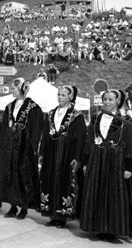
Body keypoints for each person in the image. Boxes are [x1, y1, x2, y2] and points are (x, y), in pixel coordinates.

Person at [80, 89, 132, 241]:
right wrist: (85, 161)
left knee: (113, 194)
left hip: (115, 163)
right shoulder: (96, 119)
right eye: (105, 99)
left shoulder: (126, 121)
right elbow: (88, 141)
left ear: (118, 101)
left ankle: (112, 230)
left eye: (110, 99)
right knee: (97, 192)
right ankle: (98, 227)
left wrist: (128, 168)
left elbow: (130, 145)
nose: (106, 102)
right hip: (97, 161)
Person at [0, 78, 44, 219]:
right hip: (10, 146)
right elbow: (4, 126)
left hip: (24, 146)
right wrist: (3, 142)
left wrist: (33, 146)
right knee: (10, 174)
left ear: (22, 89)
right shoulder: (9, 106)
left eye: (14, 89)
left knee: (22, 175)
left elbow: (37, 127)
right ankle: (12, 205)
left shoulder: (33, 107)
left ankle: (24, 206)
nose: (12, 91)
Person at [40, 85, 87, 228]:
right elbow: (45, 134)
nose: (60, 97)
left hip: (67, 154)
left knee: (65, 183)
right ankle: (52, 214)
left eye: (63, 95)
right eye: (59, 94)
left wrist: (77, 157)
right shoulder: (50, 114)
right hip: (51, 153)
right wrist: (42, 152)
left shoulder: (77, 116)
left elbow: (80, 138)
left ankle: (62, 217)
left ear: (70, 97)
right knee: (49, 181)